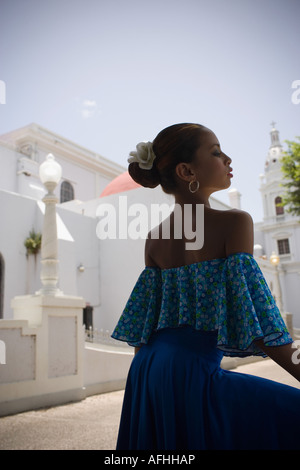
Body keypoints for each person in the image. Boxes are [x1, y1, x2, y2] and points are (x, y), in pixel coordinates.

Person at [111, 123, 300, 450]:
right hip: (191, 373)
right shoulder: (235, 223)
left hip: (146, 372)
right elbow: (260, 324)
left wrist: (149, 393)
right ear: (186, 171)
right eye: (215, 151)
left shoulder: (154, 239)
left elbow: (144, 328)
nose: (227, 158)